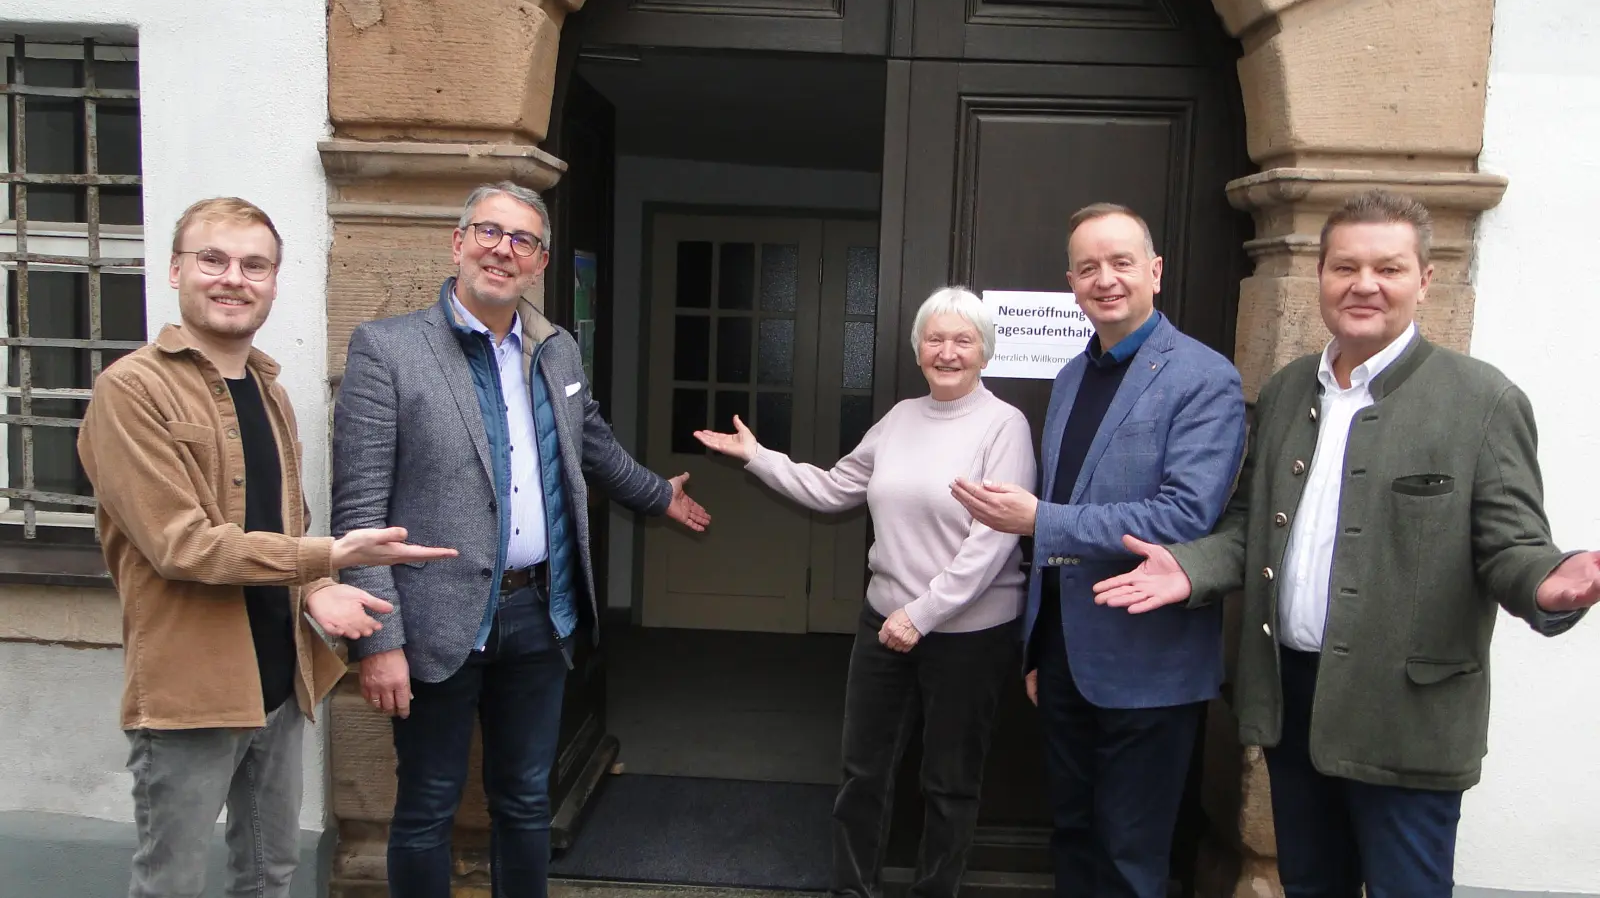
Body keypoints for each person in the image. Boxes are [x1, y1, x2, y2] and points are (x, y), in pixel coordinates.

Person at [1092, 189, 1600, 897]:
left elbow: (1511, 544)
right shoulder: (1287, 390)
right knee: (1311, 884)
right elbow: (1248, 521)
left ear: (1425, 280)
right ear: (1321, 277)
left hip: (1407, 713)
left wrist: (1548, 581)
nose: (1364, 285)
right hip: (1294, 697)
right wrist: (1189, 566)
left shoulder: (1482, 400)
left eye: (1388, 269)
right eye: (1345, 267)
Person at [332, 181, 711, 898]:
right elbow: (358, 510)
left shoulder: (556, 349)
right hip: (434, 622)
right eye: (489, 232)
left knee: (526, 803)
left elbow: (589, 442)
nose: (503, 251)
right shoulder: (388, 350)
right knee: (425, 811)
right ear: (458, 242)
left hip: (540, 613)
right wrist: (378, 642)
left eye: (523, 241)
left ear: (539, 263)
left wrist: (659, 496)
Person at [77, 196, 455, 898]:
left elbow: (283, 522)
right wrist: (329, 558)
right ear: (174, 270)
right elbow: (181, 545)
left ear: (275, 281)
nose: (234, 278)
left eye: (255, 265)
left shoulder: (269, 389)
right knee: (173, 885)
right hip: (192, 694)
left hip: (279, 684)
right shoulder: (131, 391)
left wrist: (318, 590)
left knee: (268, 875)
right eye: (213, 259)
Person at [694, 286, 1034, 898]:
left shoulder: (1004, 426)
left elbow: (993, 541)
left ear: (985, 349)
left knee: (949, 781)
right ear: (918, 349)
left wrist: (924, 614)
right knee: (863, 775)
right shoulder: (901, 419)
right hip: (884, 624)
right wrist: (759, 457)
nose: (948, 352)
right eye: (935, 339)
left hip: (968, 636)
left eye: (963, 340)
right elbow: (833, 489)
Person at [951, 203, 1246, 898]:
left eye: (1120, 262)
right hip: (1063, 660)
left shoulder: (1204, 377)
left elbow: (1185, 513)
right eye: (1088, 267)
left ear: (1155, 272)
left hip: (1149, 662)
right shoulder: (1072, 377)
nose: (1105, 279)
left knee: (1129, 859)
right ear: (1071, 282)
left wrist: (1039, 520)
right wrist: (1040, 645)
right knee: (1076, 840)